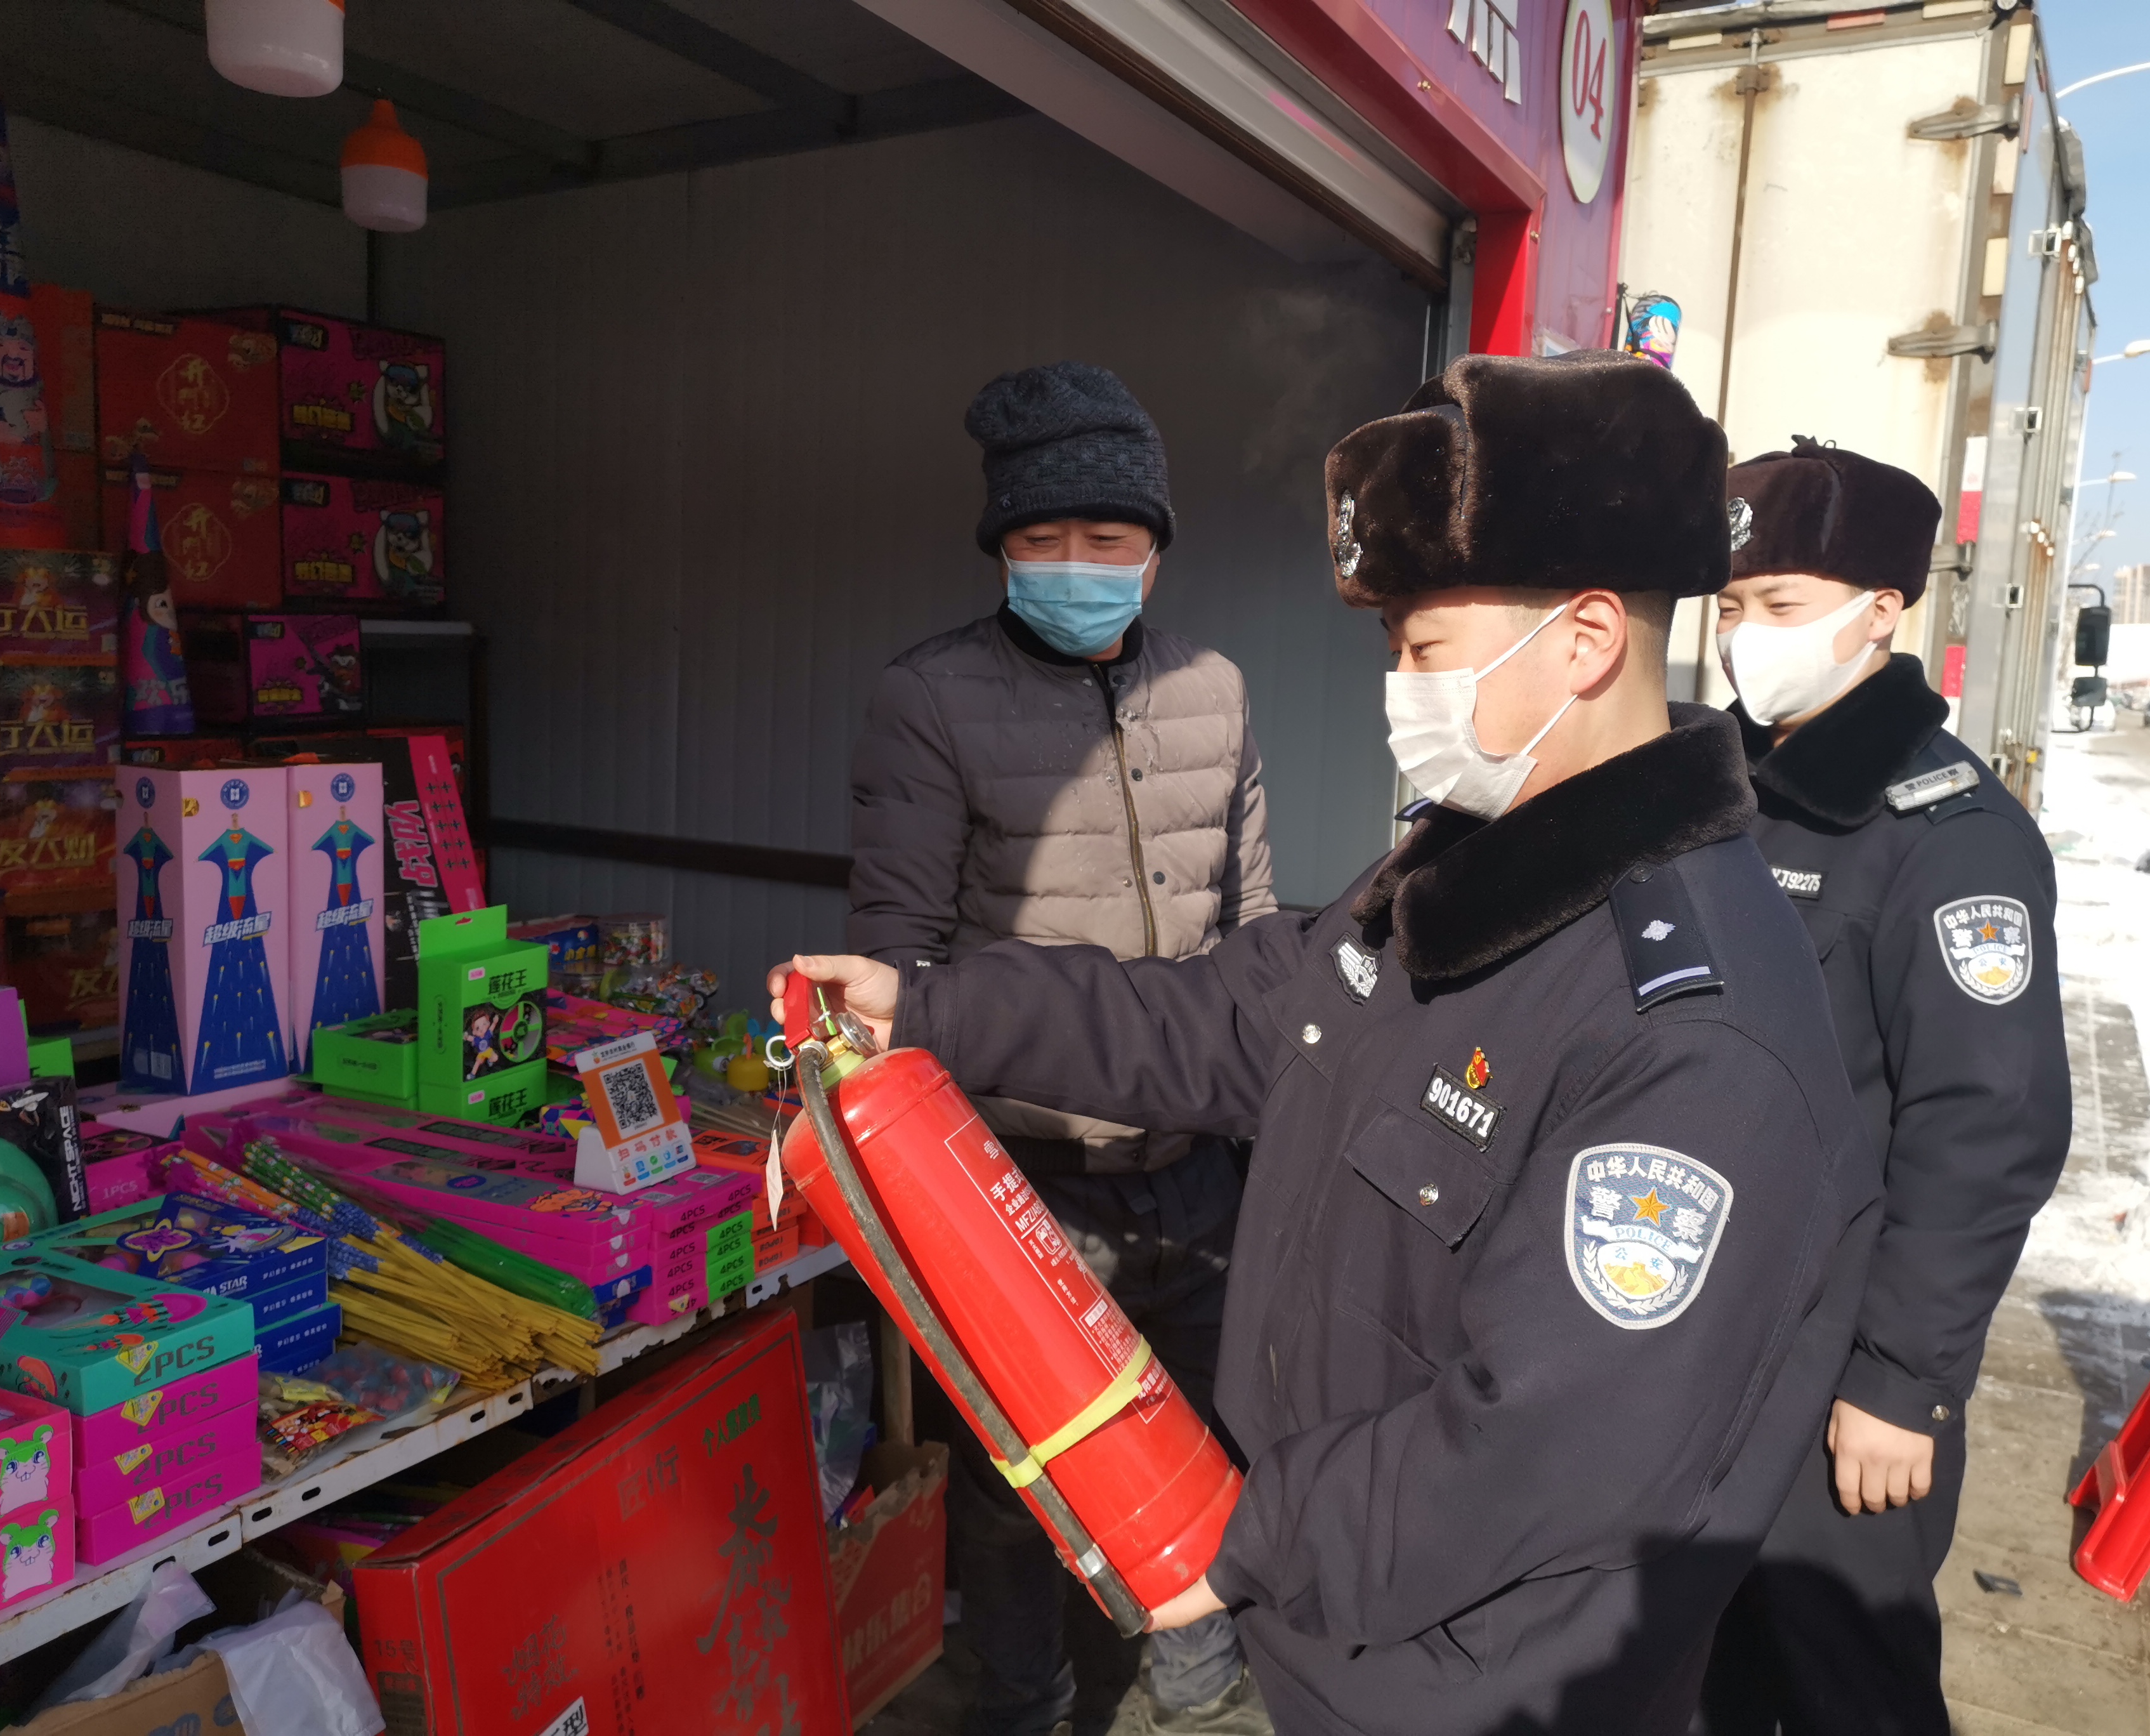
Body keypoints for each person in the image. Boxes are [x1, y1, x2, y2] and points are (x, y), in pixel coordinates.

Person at [782, 354, 1883, 1735]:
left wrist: (1248, 1537)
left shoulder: (1697, 1024)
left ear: (1588, 639)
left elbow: (1541, 1440)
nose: (1400, 691)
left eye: (1424, 648)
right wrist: (931, 1008)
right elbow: (1217, 1015)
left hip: (1474, 1688)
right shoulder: (1459, 874)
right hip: (1341, 1635)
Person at [846, 360, 1275, 1736]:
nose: (1078, 564)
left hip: (1197, 1174)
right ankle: (1023, 1704)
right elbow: (898, 959)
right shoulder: (929, 699)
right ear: (1002, 549)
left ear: (1157, 548)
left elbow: (1253, 934)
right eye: (1044, 537)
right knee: (1021, 1484)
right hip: (1025, 1185)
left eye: (1109, 536)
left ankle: (1173, 1690)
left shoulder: (1216, 691)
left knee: (1202, 1449)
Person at [1697, 438, 2072, 1734]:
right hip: (1703, 1338)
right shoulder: (1719, 785)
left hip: (1838, 1376)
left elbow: (1986, 1133)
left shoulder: (1949, 839)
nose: (1746, 636)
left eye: (1780, 604)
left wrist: (1901, 1383)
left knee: (1843, 1686)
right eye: (1729, 606)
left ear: (1880, 612)